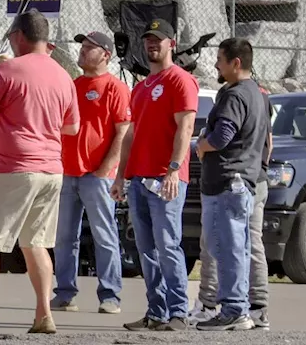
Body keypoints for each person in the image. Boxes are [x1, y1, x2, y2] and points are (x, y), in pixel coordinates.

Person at [0, 10, 79, 338]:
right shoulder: (64, 75)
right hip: (51, 170)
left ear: (19, 36)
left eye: (12, 36)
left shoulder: (9, 69)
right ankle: (43, 313)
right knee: (36, 244)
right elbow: (72, 126)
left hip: (13, 168)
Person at [110, 18, 197, 332]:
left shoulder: (180, 80)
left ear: (171, 43)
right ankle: (156, 311)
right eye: (148, 39)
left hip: (165, 179)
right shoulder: (142, 85)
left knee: (168, 246)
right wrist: (121, 175)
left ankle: (178, 311)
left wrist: (174, 169)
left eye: (158, 39)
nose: (151, 44)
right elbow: (131, 135)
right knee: (146, 250)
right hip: (138, 180)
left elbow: (185, 128)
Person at [51, 31, 131, 315]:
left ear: (105, 54)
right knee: (64, 237)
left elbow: (122, 132)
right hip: (67, 173)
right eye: (82, 47)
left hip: (97, 176)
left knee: (104, 235)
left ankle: (110, 295)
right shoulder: (73, 85)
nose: (82, 51)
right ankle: (64, 293)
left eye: (89, 48)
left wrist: (104, 169)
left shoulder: (116, 88)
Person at [191, 38, 268, 332]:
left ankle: (234, 309)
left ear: (236, 63)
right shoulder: (255, 93)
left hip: (228, 182)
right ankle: (239, 308)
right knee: (236, 246)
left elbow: (223, 134)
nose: (216, 65)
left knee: (228, 247)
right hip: (240, 183)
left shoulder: (235, 95)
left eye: (220, 60)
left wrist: (202, 144)